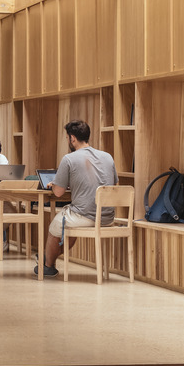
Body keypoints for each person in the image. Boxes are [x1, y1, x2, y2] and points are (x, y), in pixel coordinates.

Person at [35, 119, 117, 278]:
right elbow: (114, 185)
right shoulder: (107, 157)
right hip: (108, 216)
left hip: (86, 216)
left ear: (72, 138)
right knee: (68, 224)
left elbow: (58, 193)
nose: (68, 141)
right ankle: (47, 257)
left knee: (56, 225)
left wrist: (55, 184)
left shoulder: (69, 159)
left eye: (67, 138)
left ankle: (48, 265)